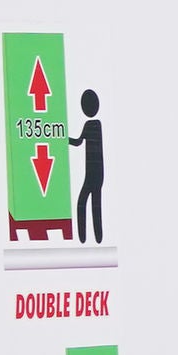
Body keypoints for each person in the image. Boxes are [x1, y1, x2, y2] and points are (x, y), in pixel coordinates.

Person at [66, 89, 103, 245]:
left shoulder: (90, 125)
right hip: (98, 172)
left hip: (92, 173)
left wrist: (64, 139)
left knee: (83, 202)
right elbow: (80, 142)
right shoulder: (96, 124)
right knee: (95, 203)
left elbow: (78, 142)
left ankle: (87, 238)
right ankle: (96, 237)